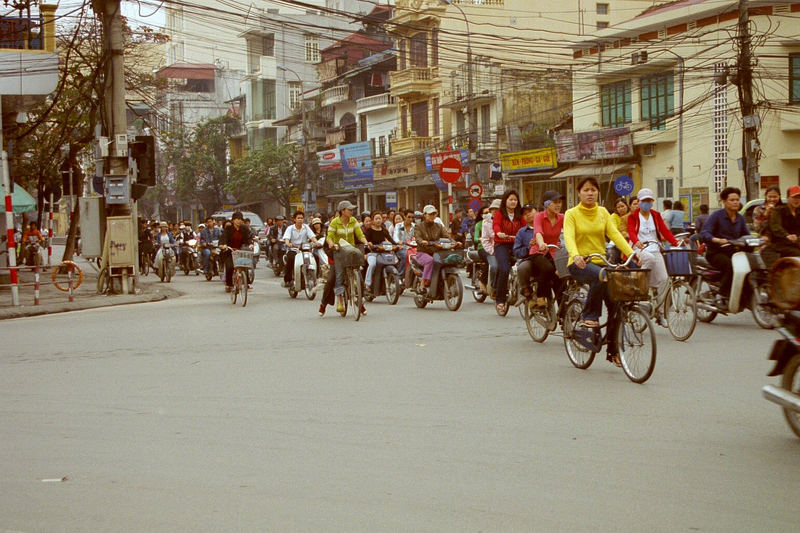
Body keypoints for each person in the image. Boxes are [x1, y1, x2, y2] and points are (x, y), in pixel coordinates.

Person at [565, 177, 638, 367]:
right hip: (579, 263)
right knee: (601, 275)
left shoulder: (603, 212)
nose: (590, 193)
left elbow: (614, 234)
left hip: (601, 262)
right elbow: (569, 237)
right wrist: (576, 255)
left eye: (594, 190)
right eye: (586, 190)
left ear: (598, 192)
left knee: (616, 305)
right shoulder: (571, 214)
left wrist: (632, 253)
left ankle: (613, 351)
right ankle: (589, 316)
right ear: (579, 193)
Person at [628, 188, 681, 324]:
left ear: (652, 202)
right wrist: (636, 241)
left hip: (655, 248)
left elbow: (665, 230)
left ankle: (660, 312)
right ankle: (642, 285)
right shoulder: (633, 217)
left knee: (664, 279)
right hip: (639, 249)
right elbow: (631, 232)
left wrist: (675, 242)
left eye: (649, 201)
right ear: (639, 201)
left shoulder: (656, 215)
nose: (646, 203)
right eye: (644, 201)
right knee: (649, 260)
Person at [699, 187, 751, 308]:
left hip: (733, 252)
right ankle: (721, 295)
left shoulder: (740, 218)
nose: (735, 202)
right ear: (724, 201)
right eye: (732, 200)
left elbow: (746, 234)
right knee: (730, 266)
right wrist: (717, 240)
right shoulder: (717, 216)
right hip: (715, 252)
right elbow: (705, 233)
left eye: (737, 200)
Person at [520, 190, 565, 307]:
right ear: (546, 204)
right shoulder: (539, 217)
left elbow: (571, 231)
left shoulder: (562, 217)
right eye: (555, 202)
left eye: (560, 202)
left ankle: (564, 312)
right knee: (547, 268)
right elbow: (538, 232)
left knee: (561, 277)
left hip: (554, 252)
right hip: (538, 251)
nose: (558, 205)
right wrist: (541, 243)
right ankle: (540, 296)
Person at [326, 200, 369, 314]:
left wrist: (365, 242)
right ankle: (339, 301)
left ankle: (359, 298)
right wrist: (331, 243)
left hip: (351, 250)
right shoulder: (335, 222)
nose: (352, 211)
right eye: (349, 210)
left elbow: (359, 234)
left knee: (358, 274)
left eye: (352, 209)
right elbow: (329, 236)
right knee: (339, 276)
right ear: (342, 211)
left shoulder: (353, 220)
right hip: (339, 251)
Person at [492, 189, 525, 314]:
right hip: (502, 245)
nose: (513, 202)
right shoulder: (500, 213)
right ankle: (500, 299)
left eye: (515, 200)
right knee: (504, 269)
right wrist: (499, 233)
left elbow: (526, 226)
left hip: (517, 244)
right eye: (510, 199)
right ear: (505, 201)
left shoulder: (520, 214)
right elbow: (496, 225)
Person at [414, 204, 457, 294]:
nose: (432, 216)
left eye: (434, 214)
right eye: (430, 214)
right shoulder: (419, 226)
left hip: (437, 252)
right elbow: (417, 237)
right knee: (430, 261)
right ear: (424, 215)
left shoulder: (439, 226)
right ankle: (423, 284)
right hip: (423, 252)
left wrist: (455, 243)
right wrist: (422, 241)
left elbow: (447, 236)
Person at [762, 185, 800, 268]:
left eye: (798, 197)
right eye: (794, 197)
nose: (796, 200)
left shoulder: (798, 211)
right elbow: (775, 227)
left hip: (795, 244)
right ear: (787, 198)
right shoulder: (779, 210)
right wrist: (787, 235)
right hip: (779, 244)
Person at [282, 211, 319, 288]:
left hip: (305, 249)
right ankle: (288, 280)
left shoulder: (306, 227)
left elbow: (312, 237)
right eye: (298, 218)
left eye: (302, 218)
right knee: (291, 259)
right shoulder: (290, 228)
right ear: (294, 219)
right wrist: (288, 243)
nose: (300, 220)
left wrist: (316, 242)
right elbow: (286, 239)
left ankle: (316, 277)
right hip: (293, 250)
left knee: (316, 257)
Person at [363, 211, 398, 294]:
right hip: (372, 253)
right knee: (372, 265)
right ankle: (367, 284)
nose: (378, 220)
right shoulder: (369, 231)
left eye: (380, 218)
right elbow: (366, 242)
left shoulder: (384, 230)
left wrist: (397, 245)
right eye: (376, 219)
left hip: (383, 253)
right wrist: (369, 244)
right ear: (372, 220)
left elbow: (390, 240)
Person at [219, 211, 253, 292]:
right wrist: (223, 245)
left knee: (244, 265)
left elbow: (248, 238)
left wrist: (250, 244)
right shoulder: (228, 229)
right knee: (230, 266)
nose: (239, 221)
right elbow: (223, 239)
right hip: (230, 251)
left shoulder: (244, 228)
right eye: (237, 219)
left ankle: (247, 282)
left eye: (241, 219)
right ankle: (229, 284)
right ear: (233, 220)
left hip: (241, 251)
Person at [512, 203, 539, 301]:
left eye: (530, 212)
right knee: (522, 268)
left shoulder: (545, 226)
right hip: (529, 260)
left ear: (537, 212)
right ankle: (526, 290)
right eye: (525, 214)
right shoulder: (521, 232)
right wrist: (528, 248)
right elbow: (516, 251)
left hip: (546, 259)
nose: (528, 215)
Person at [480, 199, 501, 296]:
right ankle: (493, 287)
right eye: (493, 209)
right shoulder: (486, 223)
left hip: (506, 249)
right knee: (494, 266)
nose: (495, 211)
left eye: (497, 209)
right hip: (492, 251)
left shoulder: (506, 221)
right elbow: (485, 240)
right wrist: (492, 251)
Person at [393, 209, 415, 277]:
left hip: (413, 248)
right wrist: (399, 242)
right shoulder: (398, 226)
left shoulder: (415, 226)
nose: (411, 219)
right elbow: (395, 237)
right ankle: (399, 275)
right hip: (401, 248)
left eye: (412, 217)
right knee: (405, 255)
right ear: (404, 217)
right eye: (409, 217)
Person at [609, 197, 629, 262]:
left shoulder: (630, 215)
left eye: (622, 206)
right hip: (616, 239)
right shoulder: (613, 216)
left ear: (627, 206)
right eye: (618, 207)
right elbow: (614, 230)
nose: (621, 209)